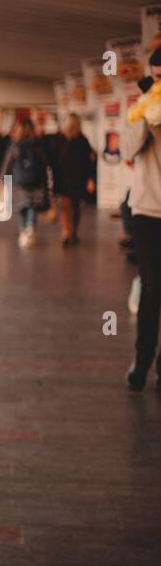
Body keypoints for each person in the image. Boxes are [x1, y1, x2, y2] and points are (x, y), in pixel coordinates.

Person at [124, 46, 161, 390]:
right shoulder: (140, 110)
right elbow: (127, 151)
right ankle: (143, 359)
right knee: (152, 289)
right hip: (148, 211)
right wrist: (146, 115)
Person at [43, 113, 96, 246]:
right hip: (63, 178)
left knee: (74, 207)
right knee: (67, 206)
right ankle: (67, 232)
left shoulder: (82, 140)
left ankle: (71, 232)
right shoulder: (59, 139)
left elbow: (89, 162)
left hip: (76, 178)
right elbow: (51, 159)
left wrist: (91, 179)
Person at [0, 117, 51, 247]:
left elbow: (7, 163)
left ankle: (23, 232)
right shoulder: (38, 145)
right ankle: (30, 226)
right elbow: (46, 163)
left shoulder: (15, 145)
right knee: (32, 206)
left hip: (19, 182)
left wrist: (2, 179)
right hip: (36, 181)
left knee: (22, 207)